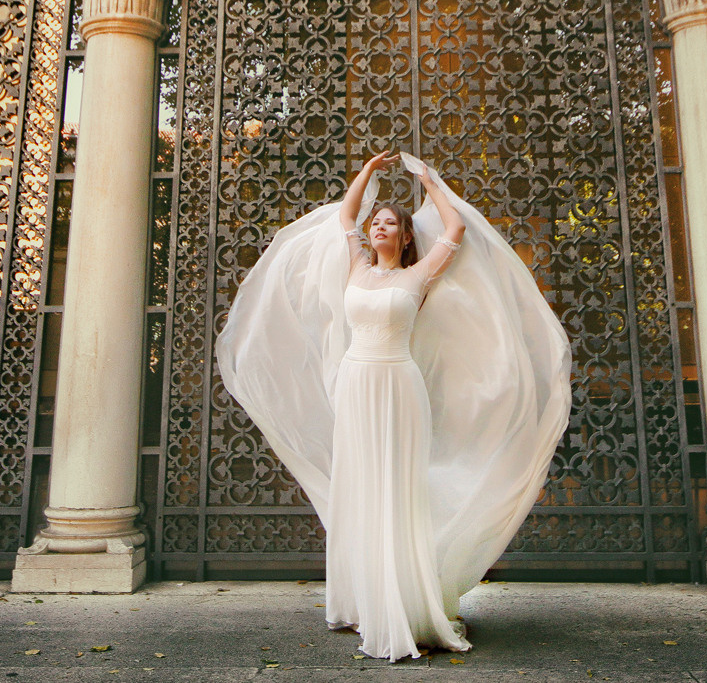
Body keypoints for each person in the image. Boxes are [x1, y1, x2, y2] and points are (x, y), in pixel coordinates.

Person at [216, 151, 571, 662]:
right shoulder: (357, 265)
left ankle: (405, 603)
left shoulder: (421, 273)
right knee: (360, 484)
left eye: (389, 223)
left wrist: (429, 181)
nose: (379, 227)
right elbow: (346, 215)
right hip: (356, 384)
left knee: (397, 487)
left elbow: (455, 228)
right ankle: (366, 600)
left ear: (405, 237)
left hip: (400, 385)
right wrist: (368, 173)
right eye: (376, 222)